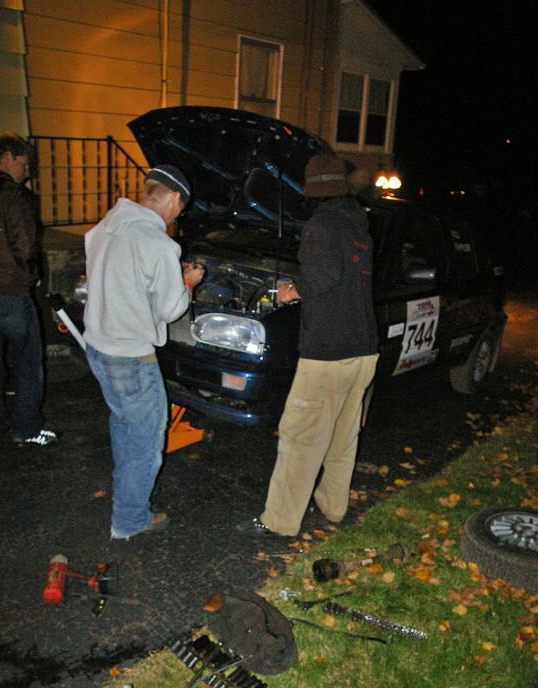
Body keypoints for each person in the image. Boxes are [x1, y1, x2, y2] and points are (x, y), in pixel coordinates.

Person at [238, 153, 379, 537]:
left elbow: (324, 275)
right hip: (364, 348)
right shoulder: (358, 223)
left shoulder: (321, 225)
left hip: (327, 354)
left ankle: (279, 522)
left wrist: (291, 291)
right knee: (342, 435)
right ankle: (333, 507)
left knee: (300, 437)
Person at [83, 165, 204, 541]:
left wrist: (167, 277)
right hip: (131, 357)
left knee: (124, 425)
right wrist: (187, 281)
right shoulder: (160, 245)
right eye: (179, 210)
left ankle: (125, 499)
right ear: (172, 198)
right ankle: (130, 521)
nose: (176, 218)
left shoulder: (104, 227)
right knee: (148, 443)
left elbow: (122, 282)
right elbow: (171, 311)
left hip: (98, 346)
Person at [0, 131, 58, 446]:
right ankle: (27, 429)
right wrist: (31, 279)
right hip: (8, 289)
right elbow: (25, 247)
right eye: (24, 163)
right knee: (28, 358)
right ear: (8, 157)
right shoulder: (13, 195)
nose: (28, 170)